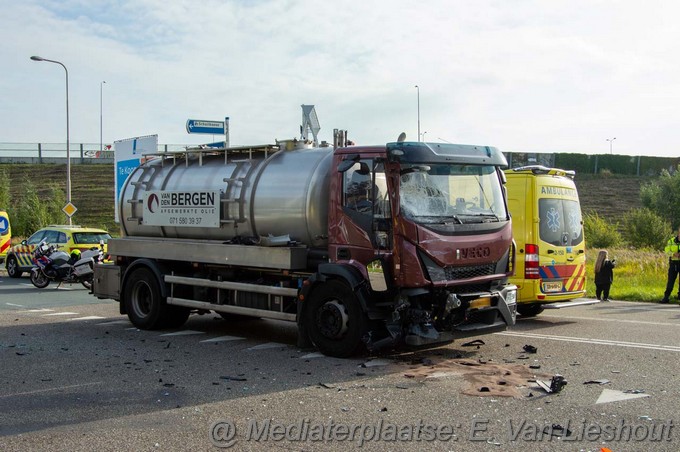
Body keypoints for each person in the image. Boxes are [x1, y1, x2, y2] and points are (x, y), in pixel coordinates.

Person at [661, 226, 680, 303]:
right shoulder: (671, 241)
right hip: (673, 264)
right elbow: (666, 251)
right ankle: (666, 297)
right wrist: (673, 254)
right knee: (670, 281)